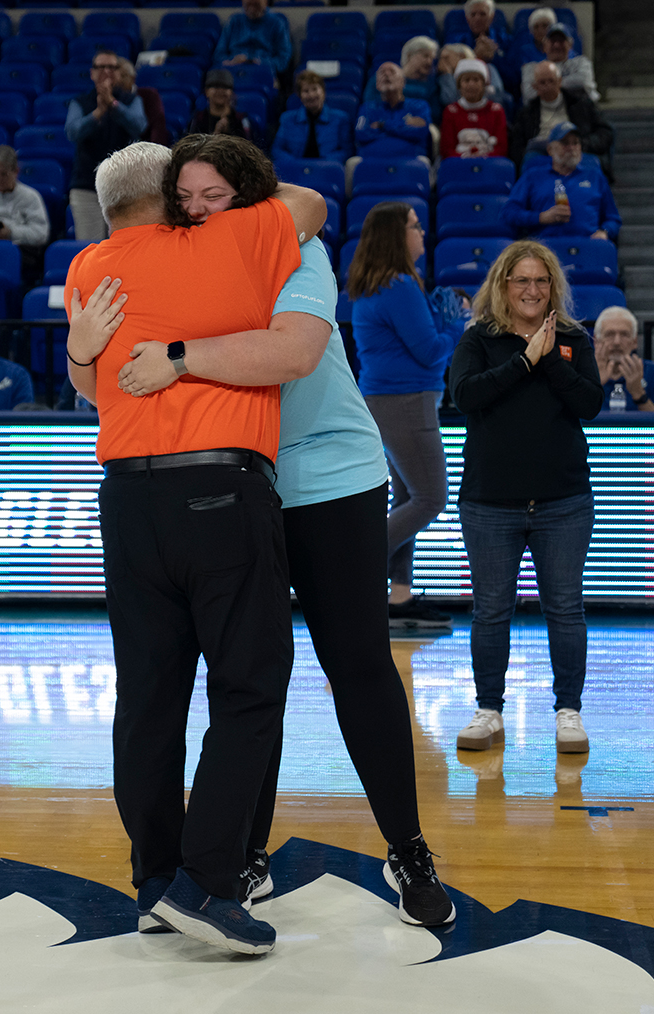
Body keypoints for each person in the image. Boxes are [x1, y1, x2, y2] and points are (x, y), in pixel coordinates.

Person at [107, 136, 456, 930]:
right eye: (183, 196)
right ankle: (238, 854)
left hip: (332, 476)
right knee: (250, 677)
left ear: (249, 198)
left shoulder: (289, 243)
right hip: (240, 484)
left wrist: (179, 356)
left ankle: (407, 848)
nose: (196, 210)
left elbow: (293, 353)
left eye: (214, 196)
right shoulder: (176, 255)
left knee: (359, 664)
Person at [64, 138, 326, 955]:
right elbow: (311, 202)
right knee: (249, 690)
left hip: (126, 498)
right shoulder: (231, 237)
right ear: (176, 196)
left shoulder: (86, 269)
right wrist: (222, 187)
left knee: (147, 697)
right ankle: (208, 885)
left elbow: (90, 379)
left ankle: (154, 880)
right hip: (218, 489)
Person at [448, 240, 604, 754]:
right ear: (503, 286)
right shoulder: (479, 339)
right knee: (491, 610)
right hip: (490, 502)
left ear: (552, 286)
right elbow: (465, 396)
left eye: (541, 281)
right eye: (522, 281)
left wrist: (548, 356)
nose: (532, 290)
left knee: (565, 608)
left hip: (564, 501)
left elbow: (590, 404)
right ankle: (488, 710)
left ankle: (568, 711)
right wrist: (524, 358)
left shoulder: (574, 339)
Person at [348, 201, 467, 627]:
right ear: (396, 237)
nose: (422, 233)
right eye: (415, 226)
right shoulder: (399, 287)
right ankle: (353, 575)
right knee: (431, 498)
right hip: (405, 401)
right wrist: (460, 325)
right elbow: (432, 351)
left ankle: (398, 598)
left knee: (407, 498)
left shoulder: (380, 285)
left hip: (391, 401)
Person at [65, 50, 146, 242]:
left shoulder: (132, 100)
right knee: (88, 247)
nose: (106, 71)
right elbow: (73, 132)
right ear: (92, 73)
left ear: (119, 72)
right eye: (100, 67)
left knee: (124, 245)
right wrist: (98, 112)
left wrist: (113, 105)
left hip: (123, 185)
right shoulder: (80, 102)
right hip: (86, 185)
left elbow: (139, 126)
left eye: (111, 67)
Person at [500, 122, 622, 242]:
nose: (571, 148)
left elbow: (613, 218)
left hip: (586, 247)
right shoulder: (533, 176)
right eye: (565, 143)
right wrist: (540, 217)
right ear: (550, 149)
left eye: (576, 143)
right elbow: (509, 213)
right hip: (546, 248)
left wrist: (604, 232)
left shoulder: (595, 176)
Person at [509, 62, 614, 177]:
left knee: (591, 162)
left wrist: (582, 144)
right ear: (535, 87)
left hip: (576, 149)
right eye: (542, 82)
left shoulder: (582, 104)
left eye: (551, 81)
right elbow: (516, 145)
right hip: (542, 153)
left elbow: (605, 132)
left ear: (560, 81)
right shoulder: (526, 113)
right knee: (530, 160)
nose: (548, 86)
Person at [593, 306, 654, 412]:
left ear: (635, 342)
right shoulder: (581, 373)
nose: (617, 342)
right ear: (596, 341)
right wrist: (593, 385)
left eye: (624, 335)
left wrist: (639, 395)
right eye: (610, 334)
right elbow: (569, 422)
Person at [272, 70, 353, 163]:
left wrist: (321, 164)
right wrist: (295, 164)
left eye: (315, 89)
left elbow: (347, 151)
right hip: (295, 170)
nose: (311, 95)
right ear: (300, 96)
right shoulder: (286, 119)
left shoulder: (341, 118)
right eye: (306, 91)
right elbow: (277, 150)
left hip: (328, 170)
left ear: (323, 92)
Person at [355, 63, 432, 159]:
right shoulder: (367, 108)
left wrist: (382, 125)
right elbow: (361, 134)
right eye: (382, 73)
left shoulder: (419, 106)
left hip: (410, 159)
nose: (386, 74)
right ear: (377, 85)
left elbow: (420, 133)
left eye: (392, 72)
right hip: (372, 158)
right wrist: (403, 126)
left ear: (402, 82)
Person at [440, 58, 508, 159]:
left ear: (484, 84)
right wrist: (465, 157)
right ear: (459, 85)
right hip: (459, 165)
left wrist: (482, 157)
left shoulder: (496, 110)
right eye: (466, 80)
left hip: (489, 165)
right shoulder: (451, 111)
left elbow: (501, 148)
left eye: (476, 80)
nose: (471, 84)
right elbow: (446, 149)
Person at [363, 37, 441, 123]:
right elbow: (370, 103)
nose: (429, 62)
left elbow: (435, 114)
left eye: (432, 59)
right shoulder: (381, 77)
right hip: (383, 121)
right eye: (425, 56)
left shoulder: (431, 86)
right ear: (409, 55)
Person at [521, 23, 599, 105]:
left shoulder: (582, 63)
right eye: (553, 41)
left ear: (570, 45)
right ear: (544, 45)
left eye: (561, 41)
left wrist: (546, 86)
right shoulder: (531, 68)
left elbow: (583, 82)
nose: (557, 45)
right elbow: (529, 94)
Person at [443, 0, 514, 91]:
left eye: (482, 14)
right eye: (473, 14)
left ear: (491, 17)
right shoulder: (456, 42)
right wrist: (476, 57)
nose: (477, 18)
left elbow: (513, 79)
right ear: (467, 19)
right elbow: (451, 74)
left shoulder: (505, 40)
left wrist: (495, 57)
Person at [213, 0, 292, 82]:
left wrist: (259, 62)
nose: (251, 2)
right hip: (233, 71)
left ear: (266, 2)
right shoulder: (234, 21)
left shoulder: (277, 24)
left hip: (263, 73)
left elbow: (283, 60)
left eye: (256, 2)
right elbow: (218, 55)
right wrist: (231, 61)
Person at [187, 68, 252, 141]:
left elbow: (249, 147)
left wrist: (229, 133)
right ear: (206, 91)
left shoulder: (240, 119)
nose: (220, 91)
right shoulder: (198, 119)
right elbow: (190, 147)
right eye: (215, 86)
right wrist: (215, 135)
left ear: (231, 93)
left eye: (225, 87)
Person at [437, 43, 506, 110]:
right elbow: (450, 101)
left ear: (462, 56)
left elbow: (497, 97)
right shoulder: (445, 77)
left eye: (446, 58)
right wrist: (446, 76)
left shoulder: (488, 69)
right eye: (441, 59)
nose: (442, 62)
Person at [117, 57, 167, 146]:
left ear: (133, 78)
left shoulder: (149, 95)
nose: (120, 81)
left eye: (123, 76)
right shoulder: (112, 96)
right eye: (116, 76)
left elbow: (158, 126)